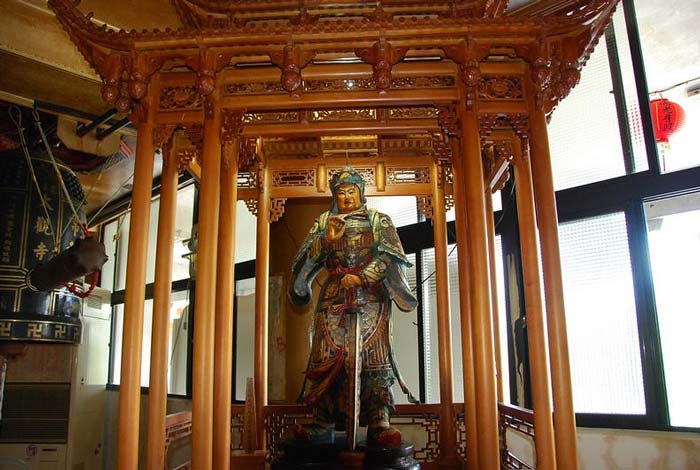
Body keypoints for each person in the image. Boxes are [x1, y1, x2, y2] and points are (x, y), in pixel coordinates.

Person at [288, 167, 418, 447]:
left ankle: (379, 420)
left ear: (361, 193)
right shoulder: (324, 222)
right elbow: (306, 261)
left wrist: (363, 277)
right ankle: (322, 420)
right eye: (341, 192)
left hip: (371, 299)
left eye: (351, 191)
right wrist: (327, 240)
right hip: (333, 297)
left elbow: (389, 257)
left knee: (375, 359)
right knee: (325, 359)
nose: (346, 197)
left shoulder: (378, 221)